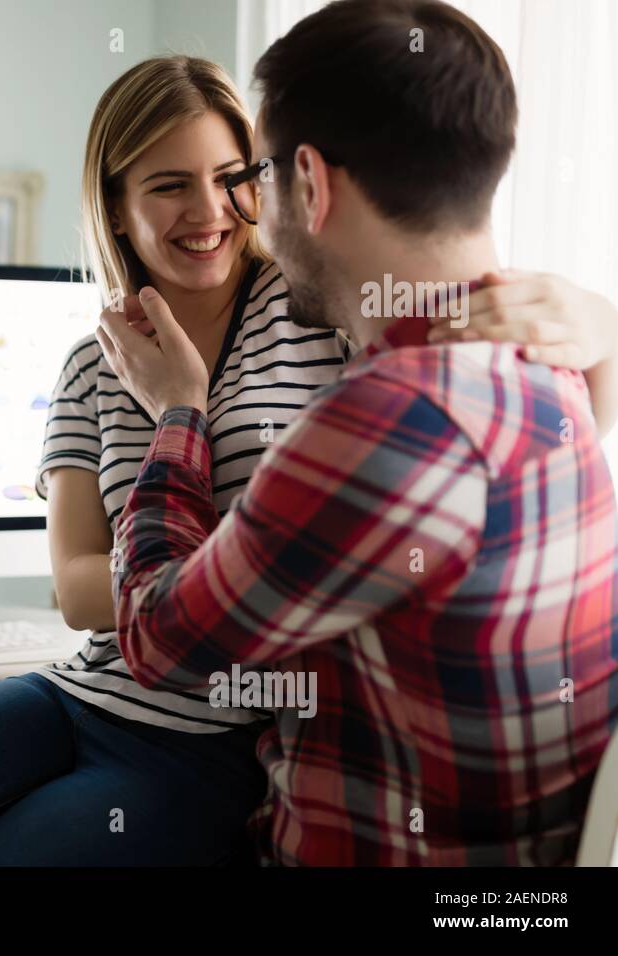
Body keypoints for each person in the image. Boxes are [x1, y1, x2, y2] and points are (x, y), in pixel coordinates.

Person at [0, 44, 618, 865]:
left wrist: (599, 320)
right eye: (169, 187)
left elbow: (537, 413)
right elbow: (77, 590)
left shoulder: (326, 317)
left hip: (221, 737)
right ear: (117, 209)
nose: (208, 213)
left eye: (232, 179)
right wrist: (224, 557)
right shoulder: (94, 360)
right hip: (83, 693)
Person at [102, 0, 618, 865]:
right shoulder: (558, 356)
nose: (244, 211)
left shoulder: (386, 421)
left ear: (310, 181)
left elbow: (157, 639)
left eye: (254, 178)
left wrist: (179, 417)